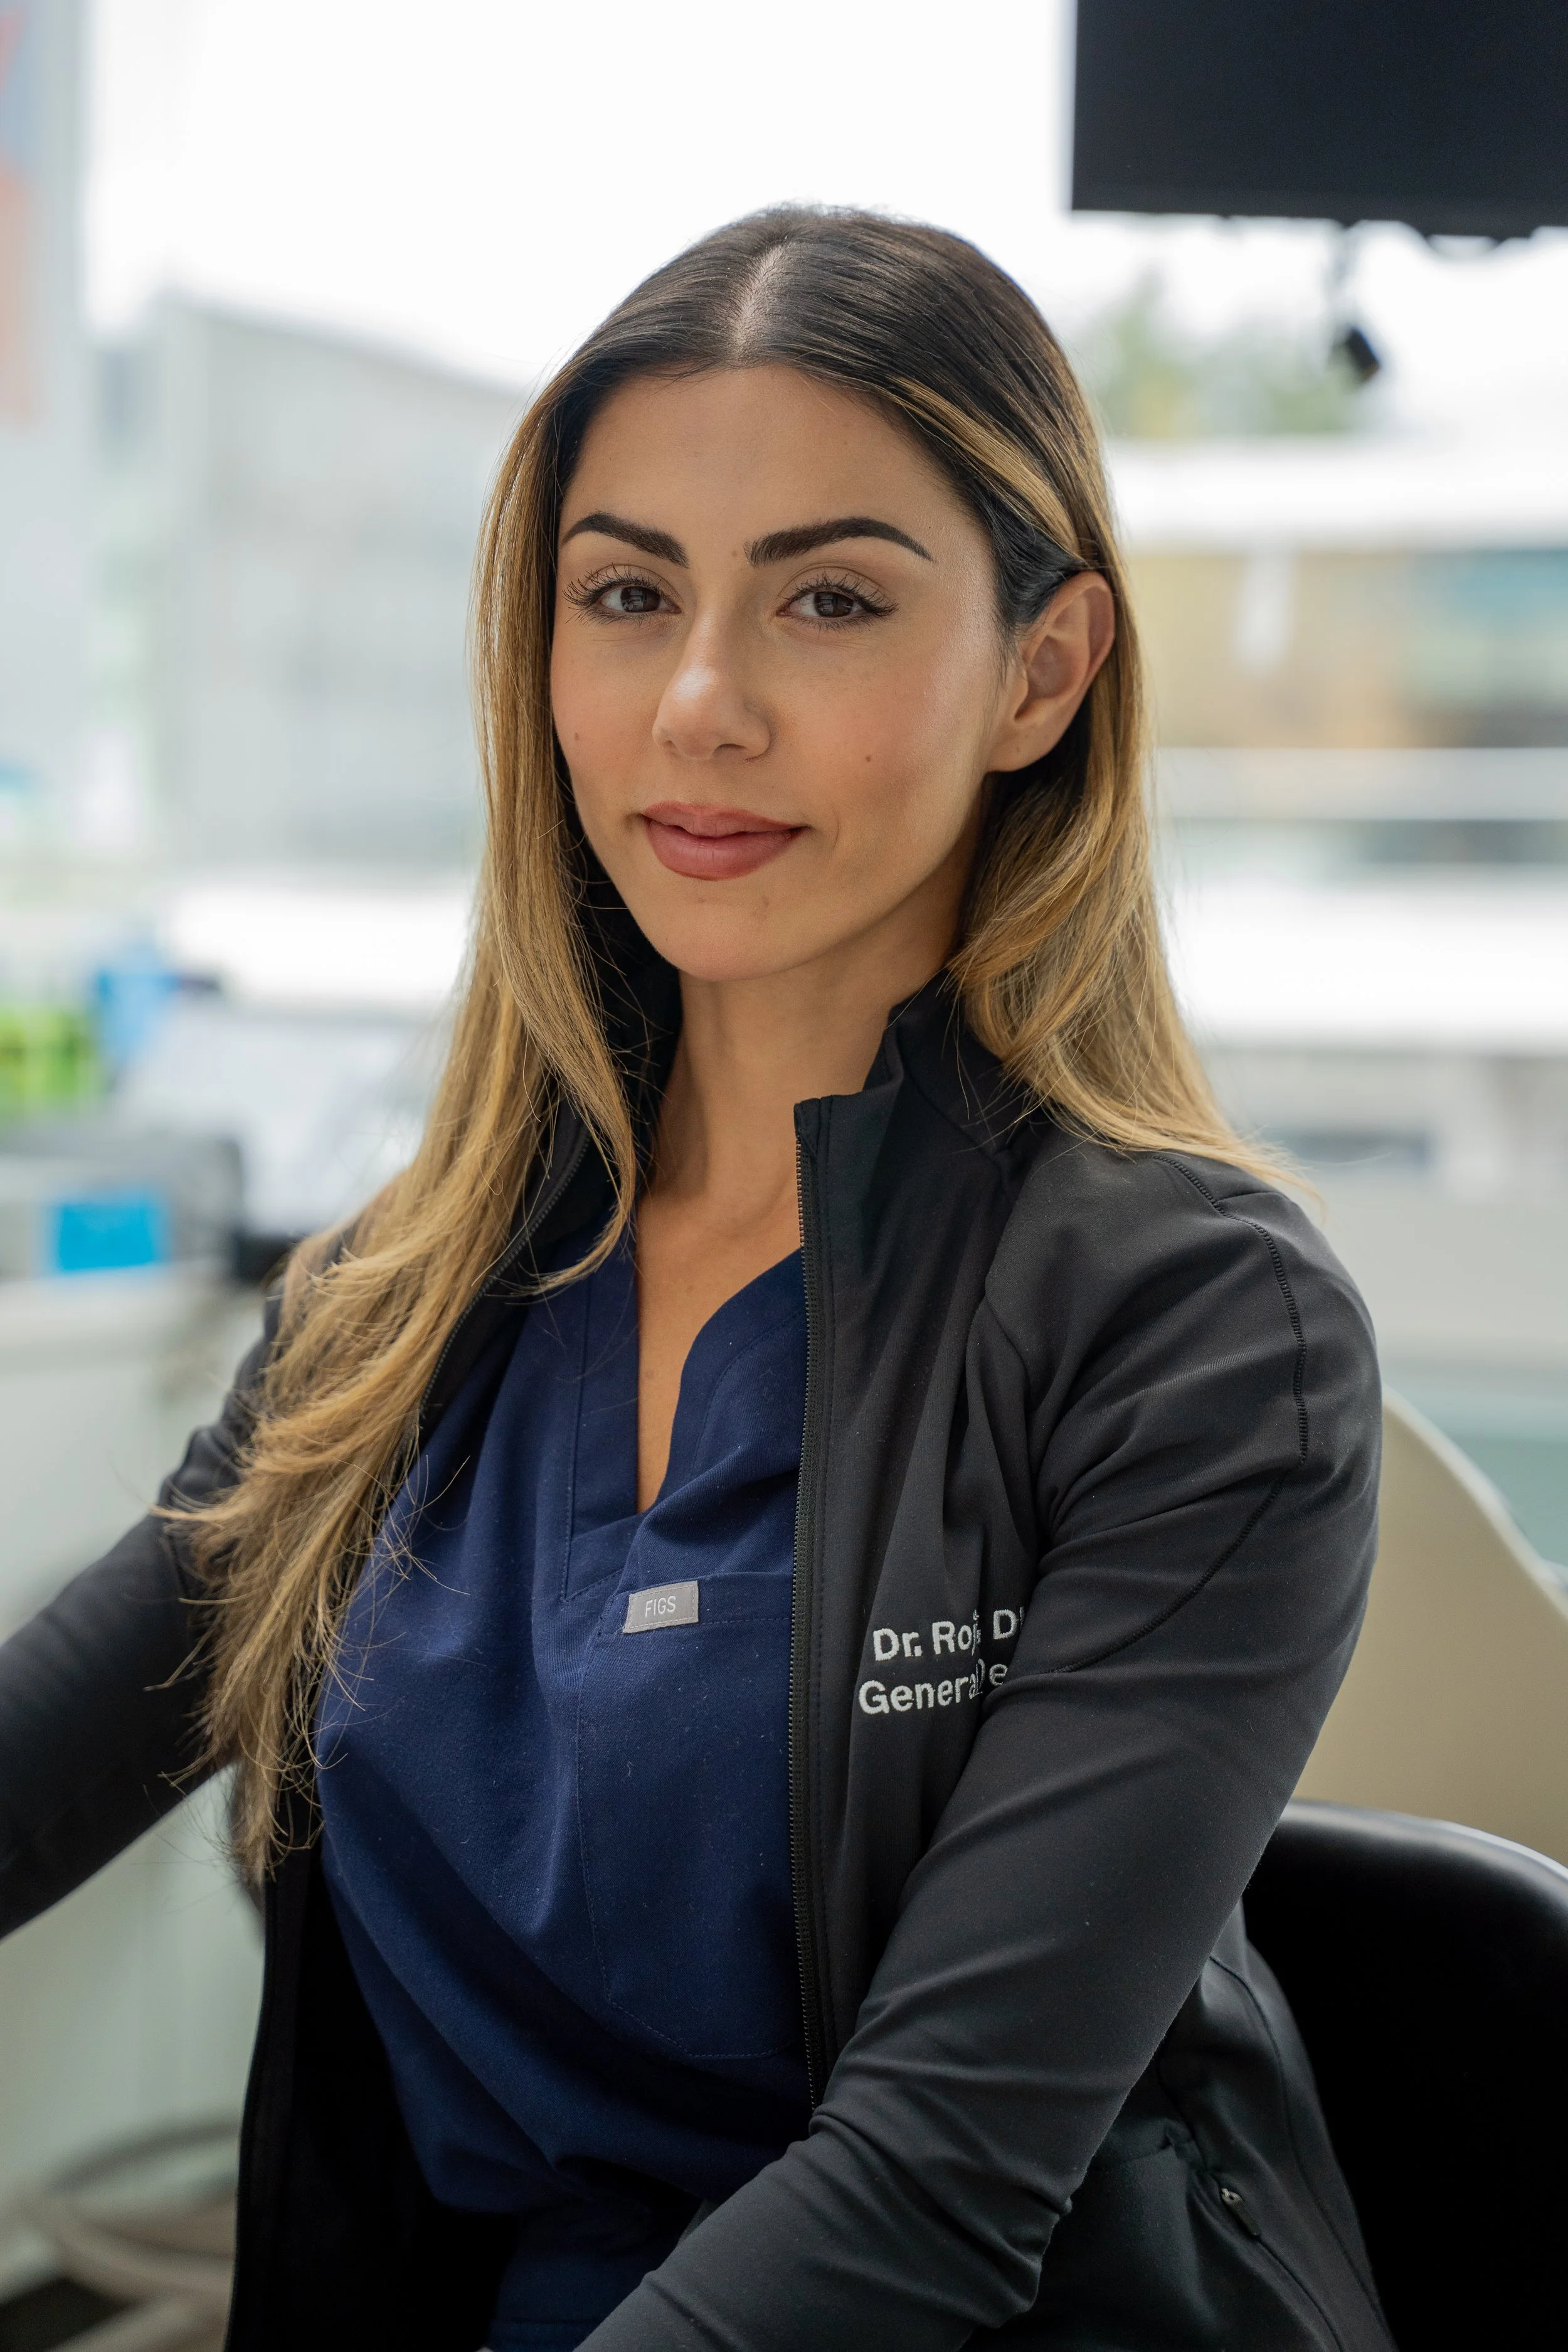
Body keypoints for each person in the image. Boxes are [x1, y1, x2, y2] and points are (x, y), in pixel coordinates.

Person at [0, 209, 1394, 2352]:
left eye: (829, 599)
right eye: (626, 594)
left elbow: (929, 2194)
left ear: (1043, 668)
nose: (698, 703)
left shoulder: (1202, 1332)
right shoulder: (406, 1305)